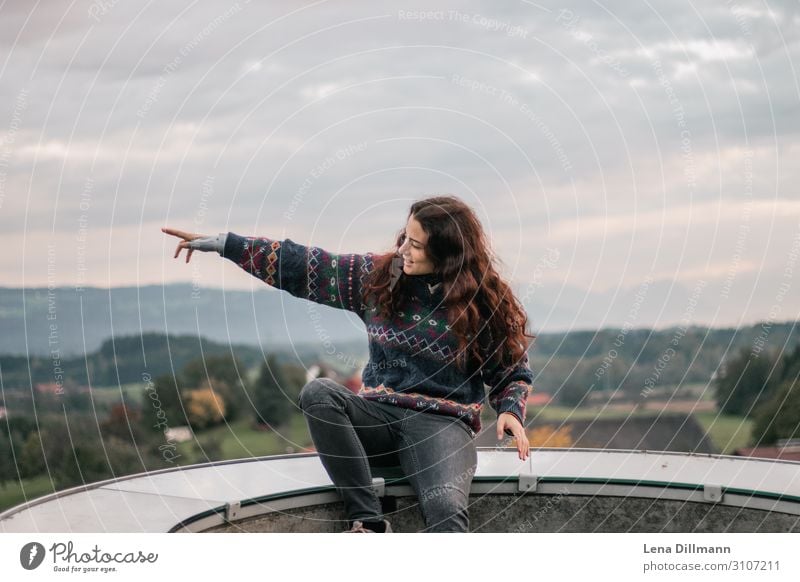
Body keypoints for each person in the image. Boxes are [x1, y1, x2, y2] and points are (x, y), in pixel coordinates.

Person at [162, 195, 535, 533]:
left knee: (445, 509)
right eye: (404, 237)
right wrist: (228, 245)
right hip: (376, 418)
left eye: (416, 245)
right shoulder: (380, 278)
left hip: (442, 425)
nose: (404, 249)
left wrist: (510, 409)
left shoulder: (482, 302)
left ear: (447, 253)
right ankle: (369, 523)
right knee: (319, 393)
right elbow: (305, 265)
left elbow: (511, 369)